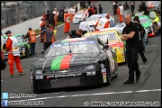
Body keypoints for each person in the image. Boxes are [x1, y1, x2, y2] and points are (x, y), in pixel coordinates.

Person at [120, 14, 141, 84]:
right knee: (129, 63)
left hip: (134, 46)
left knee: (133, 61)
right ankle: (131, 78)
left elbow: (131, 36)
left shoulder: (134, 26)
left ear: (130, 19)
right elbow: (122, 38)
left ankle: (138, 73)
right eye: (125, 19)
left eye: (127, 19)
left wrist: (125, 35)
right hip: (128, 46)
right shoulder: (125, 28)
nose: (126, 20)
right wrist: (125, 36)